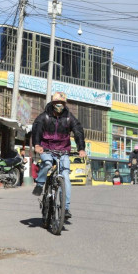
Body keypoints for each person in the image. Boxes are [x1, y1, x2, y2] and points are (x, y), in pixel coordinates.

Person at [31, 91, 86, 219]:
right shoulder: (44, 117)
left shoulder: (69, 117)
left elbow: (78, 131)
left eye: (61, 103)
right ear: (52, 103)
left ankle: (65, 208)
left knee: (65, 176)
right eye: (57, 103)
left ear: (65, 104)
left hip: (63, 150)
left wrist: (81, 148)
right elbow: (37, 130)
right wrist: (37, 145)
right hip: (47, 149)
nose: (59, 105)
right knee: (47, 164)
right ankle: (40, 184)